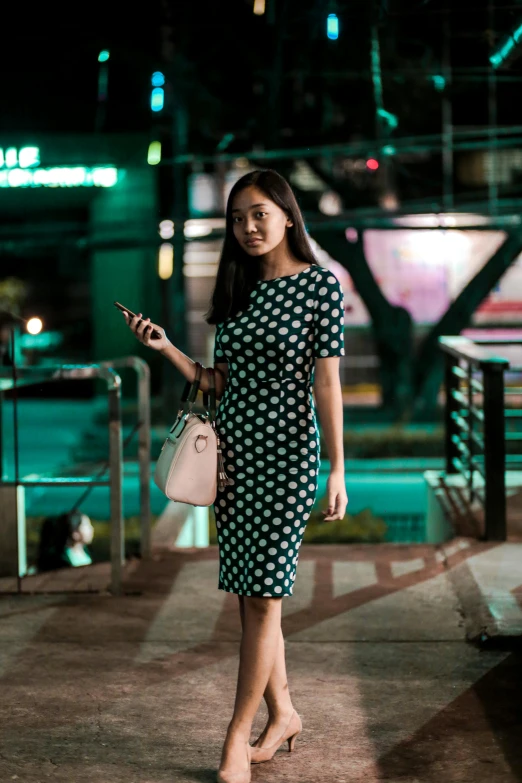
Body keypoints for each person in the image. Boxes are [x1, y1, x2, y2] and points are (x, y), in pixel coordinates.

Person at [122, 169, 348, 783]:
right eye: (238, 218)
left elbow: (326, 383)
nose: (248, 228)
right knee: (253, 598)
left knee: (266, 598)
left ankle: (233, 739)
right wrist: (165, 347)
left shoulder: (320, 287)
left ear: (286, 215)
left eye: (259, 215)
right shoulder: (241, 290)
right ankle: (284, 714)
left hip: (288, 457)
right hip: (235, 460)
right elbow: (219, 382)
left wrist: (337, 469)